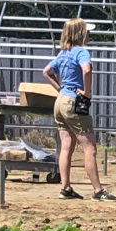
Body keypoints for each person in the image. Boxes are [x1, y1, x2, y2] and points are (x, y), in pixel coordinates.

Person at [43, 17, 108, 200]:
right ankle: (97, 190)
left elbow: (46, 72)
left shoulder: (63, 53)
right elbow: (87, 70)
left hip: (60, 101)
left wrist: (60, 89)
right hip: (74, 102)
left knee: (66, 147)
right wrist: (87, 92)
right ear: (81, 33)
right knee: (89, 147)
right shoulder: (81, 52)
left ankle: (66, 187)